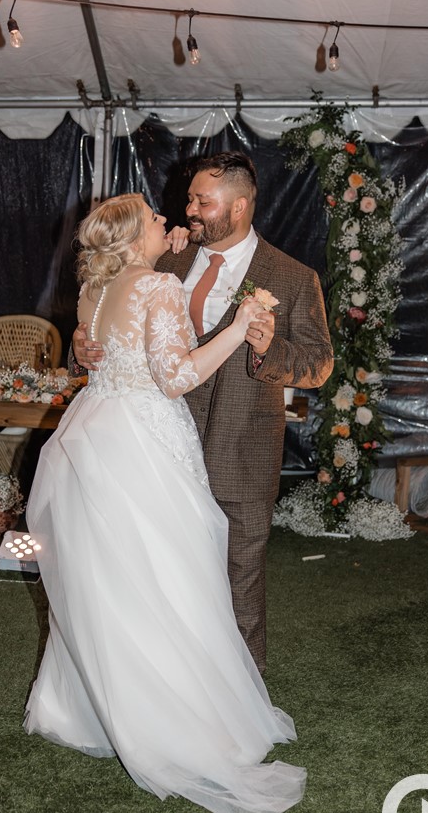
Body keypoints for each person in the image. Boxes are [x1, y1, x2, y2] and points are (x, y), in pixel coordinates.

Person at [24, 193, 306, 813]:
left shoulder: (95, 291)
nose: (169, 223)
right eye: (156, 219)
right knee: (171, 572)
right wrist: (238, 328)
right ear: (133, 238)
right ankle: (176, 719)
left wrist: (164, 255)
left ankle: (94, 708)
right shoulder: (157, 289)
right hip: (147, 441)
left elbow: (99, 346)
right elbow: (177, 378)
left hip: (94, 434)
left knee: (112, 578)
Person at [72, 153, 333, 674]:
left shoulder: (292, 276)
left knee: (239, 575)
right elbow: (114, 324)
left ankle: (242, 692)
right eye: (189, 198)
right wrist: (83, 343)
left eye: (202, 202)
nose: (188, 209)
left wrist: (267, 350)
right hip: (158, 444)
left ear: (238, 207)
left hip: (243, 443)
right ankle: (167, 682)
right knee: (163, 572)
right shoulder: (163, 260)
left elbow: (319, 363)